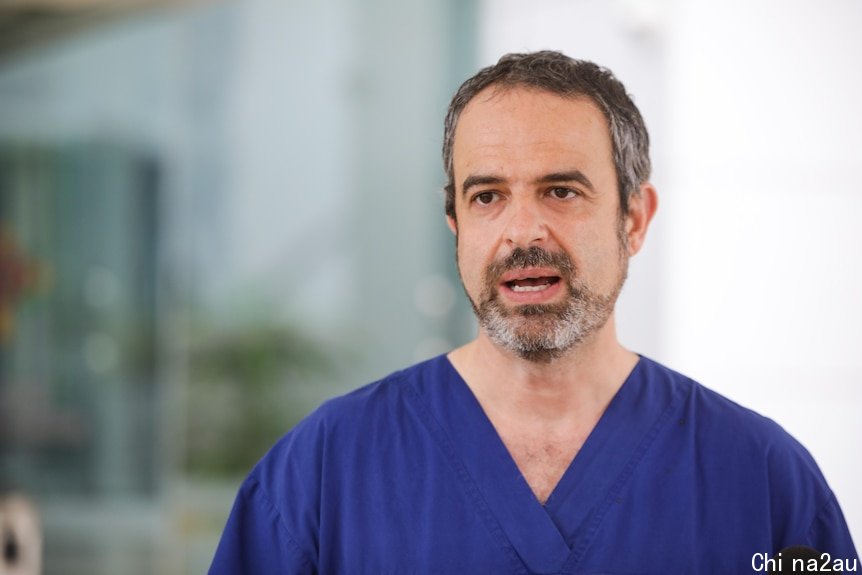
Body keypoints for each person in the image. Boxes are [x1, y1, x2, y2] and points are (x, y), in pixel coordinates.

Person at [209, 51, 858, 574]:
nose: (523, 231)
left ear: (633, 219)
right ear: (455, 223)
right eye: (487, 195)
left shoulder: (765, 481)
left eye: (561, 191)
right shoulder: (323, 472)